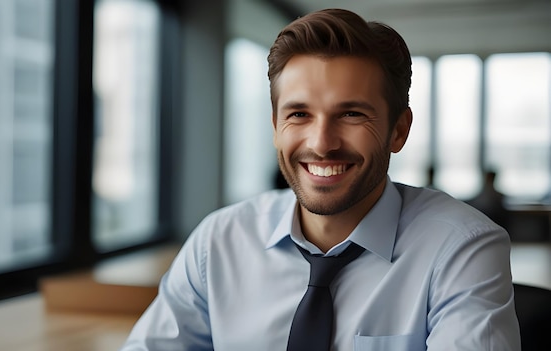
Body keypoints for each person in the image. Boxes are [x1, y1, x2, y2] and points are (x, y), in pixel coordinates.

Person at [120, 8, 520, 350]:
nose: (322, 143)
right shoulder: (219, 242)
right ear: (276, 126)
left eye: (351, 114)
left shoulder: (461, 247)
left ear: (398, 131)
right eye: (299, 114)